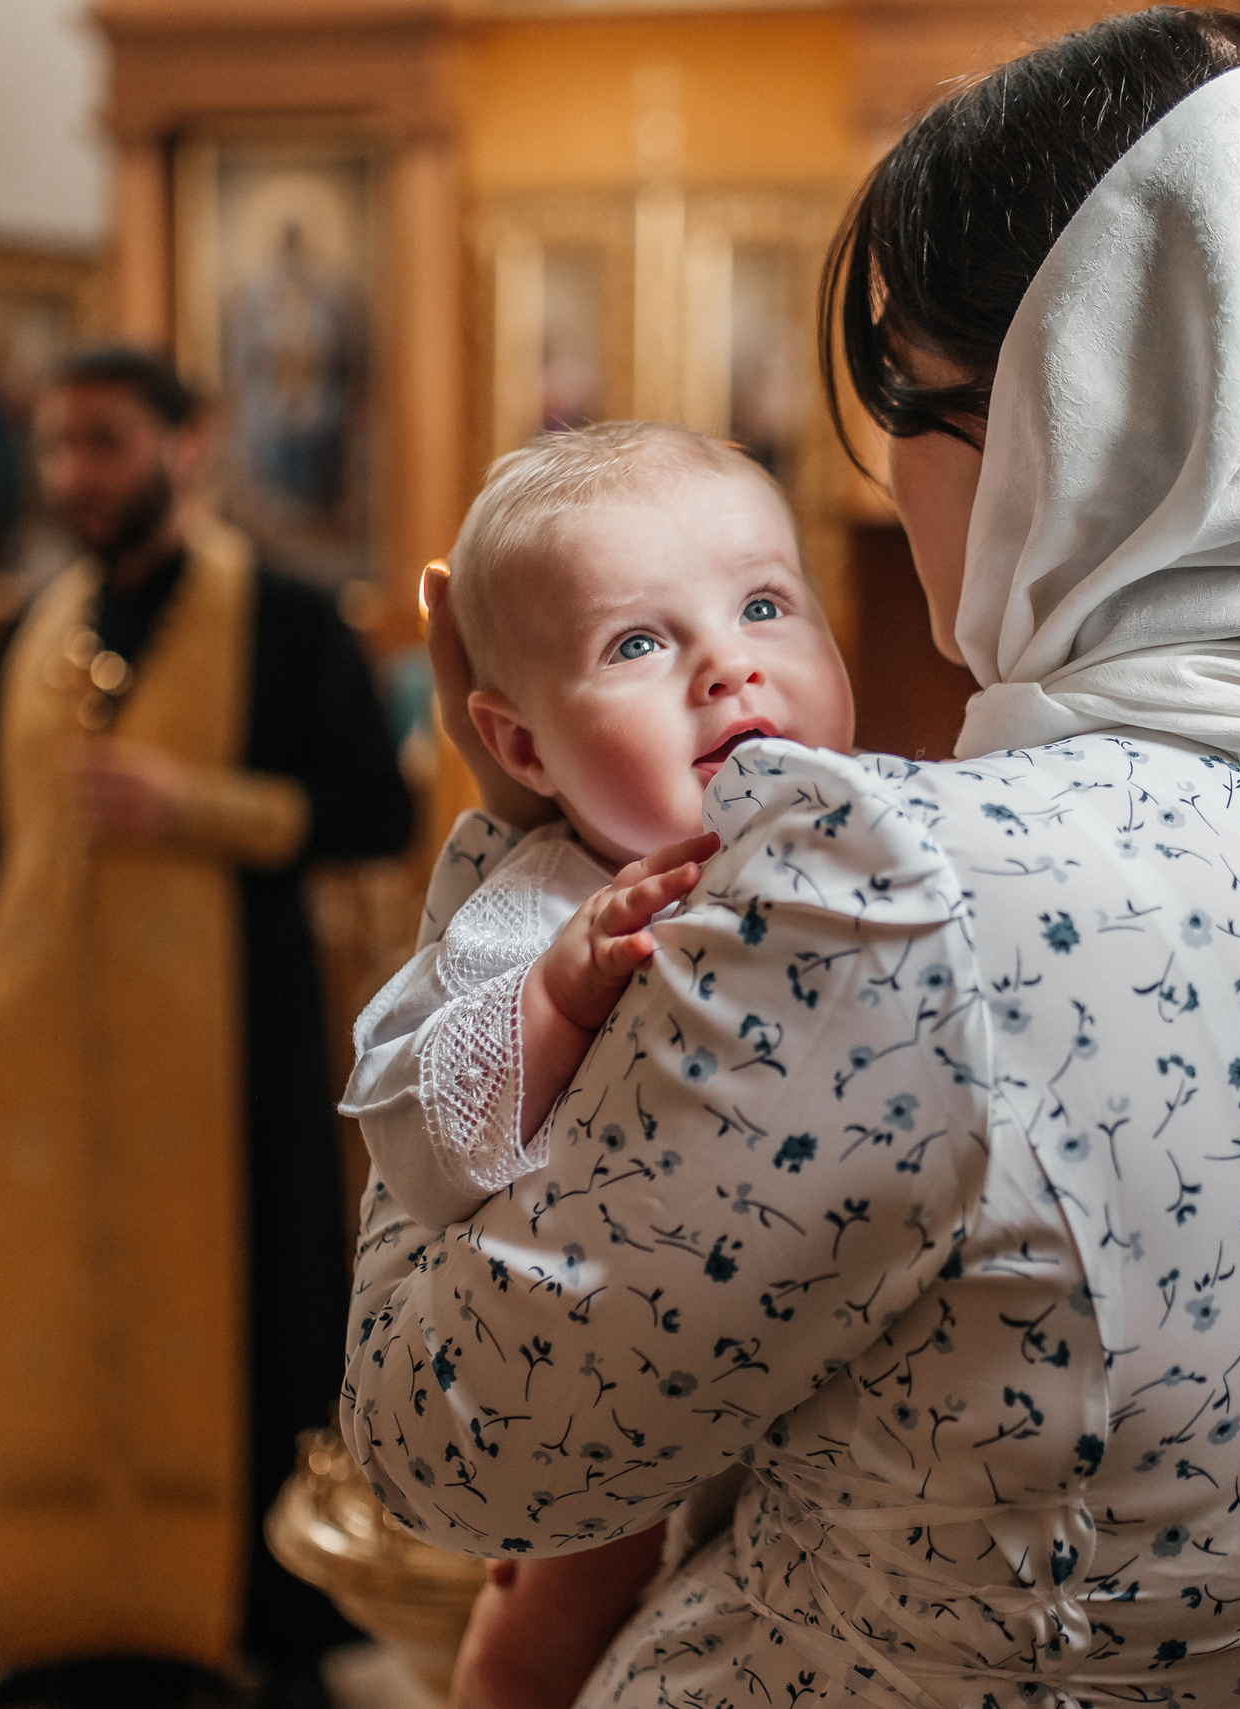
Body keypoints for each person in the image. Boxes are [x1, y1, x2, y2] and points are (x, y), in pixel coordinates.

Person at [344, 9, 1240, 1705]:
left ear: (1069, 398)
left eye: (903, 395)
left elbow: (448, 1440)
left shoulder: (896, 887)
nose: (890, 475)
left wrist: (510, 853)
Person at [0, 346, 414, 1709]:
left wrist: (199, 807)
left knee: (254, 1301)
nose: (74, 476)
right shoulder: (33, 623)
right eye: (57, 447)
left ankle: (261, 1624)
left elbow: (377, 810)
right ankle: (48, 1612)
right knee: (25, 1313)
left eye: (105, 443)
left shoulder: (288, 621)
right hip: (27, 1059)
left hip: (226, 1047)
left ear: (191, 444)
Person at [340, 421, 857, 1706]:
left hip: (818, 1362)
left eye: (763, 604)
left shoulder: (885, 834)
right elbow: (423, 1123)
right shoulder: (546, 901)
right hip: (603, 1361)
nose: (729, 664)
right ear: (520, 749)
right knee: (549, 1622)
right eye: (638, 641)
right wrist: (560, 991)